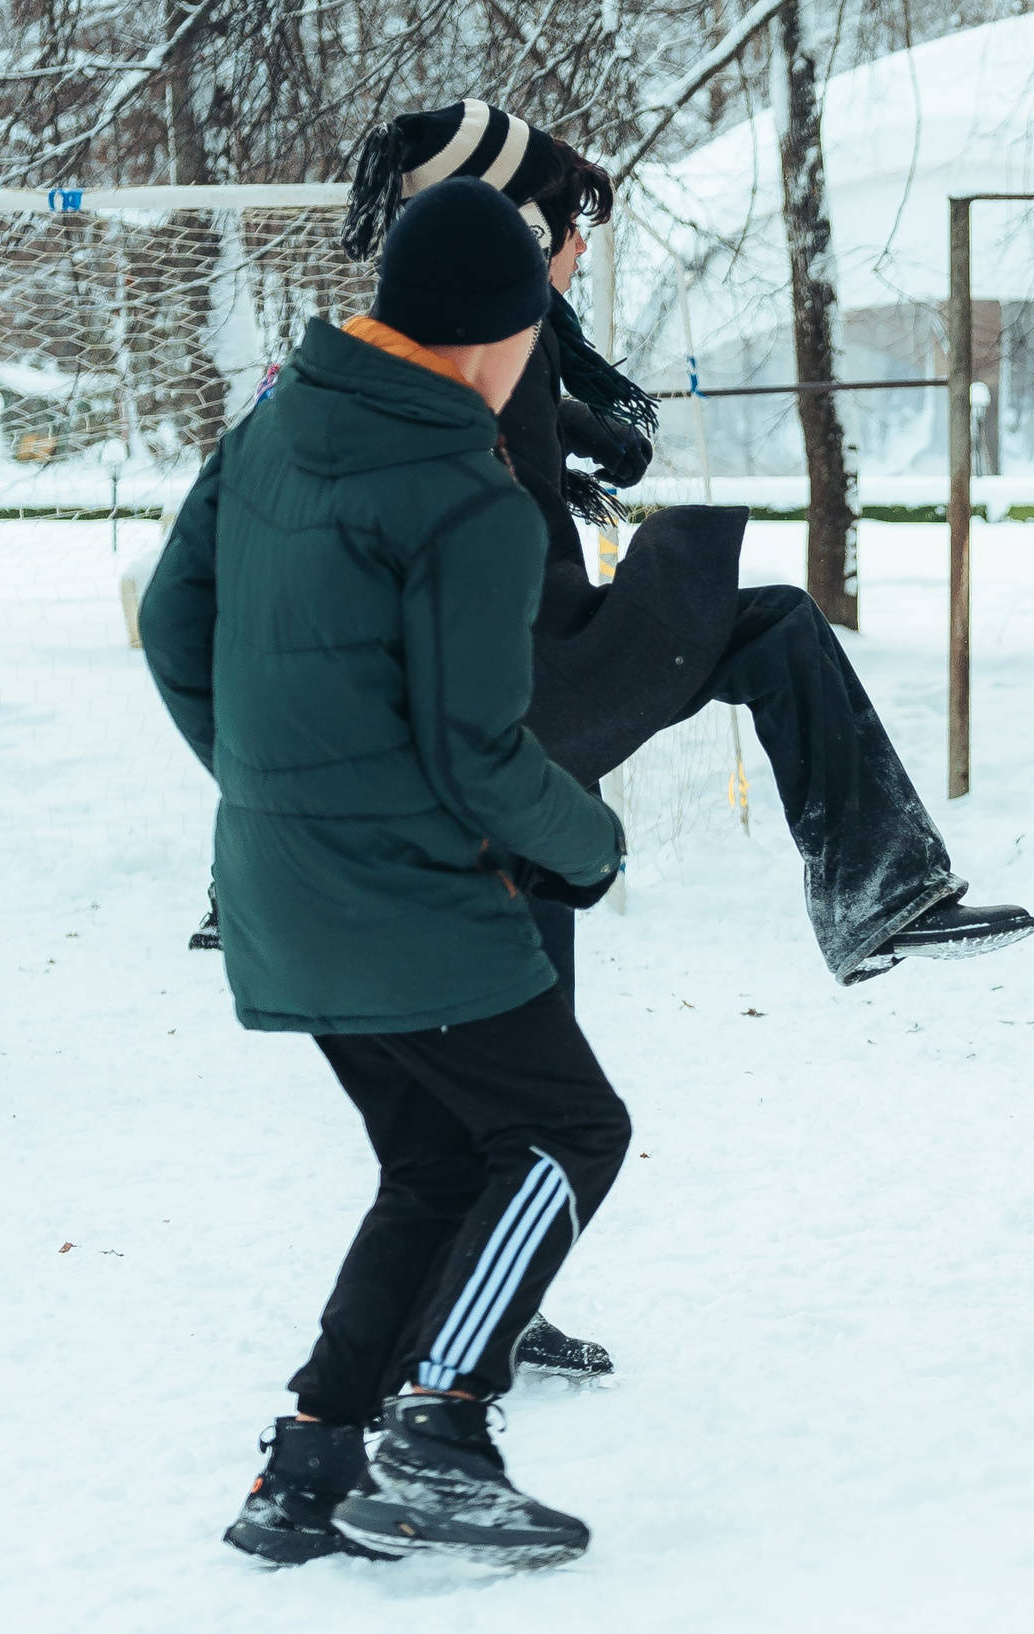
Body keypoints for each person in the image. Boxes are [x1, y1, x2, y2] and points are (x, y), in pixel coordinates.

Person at [142, 176, 634, 1570]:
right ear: (498, 332)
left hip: (284, 889)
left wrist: (276, 789)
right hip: (412, 903)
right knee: (568, 1132)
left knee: (432, 1165)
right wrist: (590, 844)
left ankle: (307, 1470)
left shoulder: (275, 429)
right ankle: (440, 1429)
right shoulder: (466, 494)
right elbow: (481, 754)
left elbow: (176, 626)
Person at [336, 99, 1034, 999]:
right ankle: (879, 892)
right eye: (569, 227)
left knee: (529, 996)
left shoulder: (461, 337)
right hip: (528, 672)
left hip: (526, 677)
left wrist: (576, 422)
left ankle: (878, 894)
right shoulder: (469, 342)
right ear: (518, 229)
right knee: (770, 621)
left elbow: (472, 404)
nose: (582, 248)